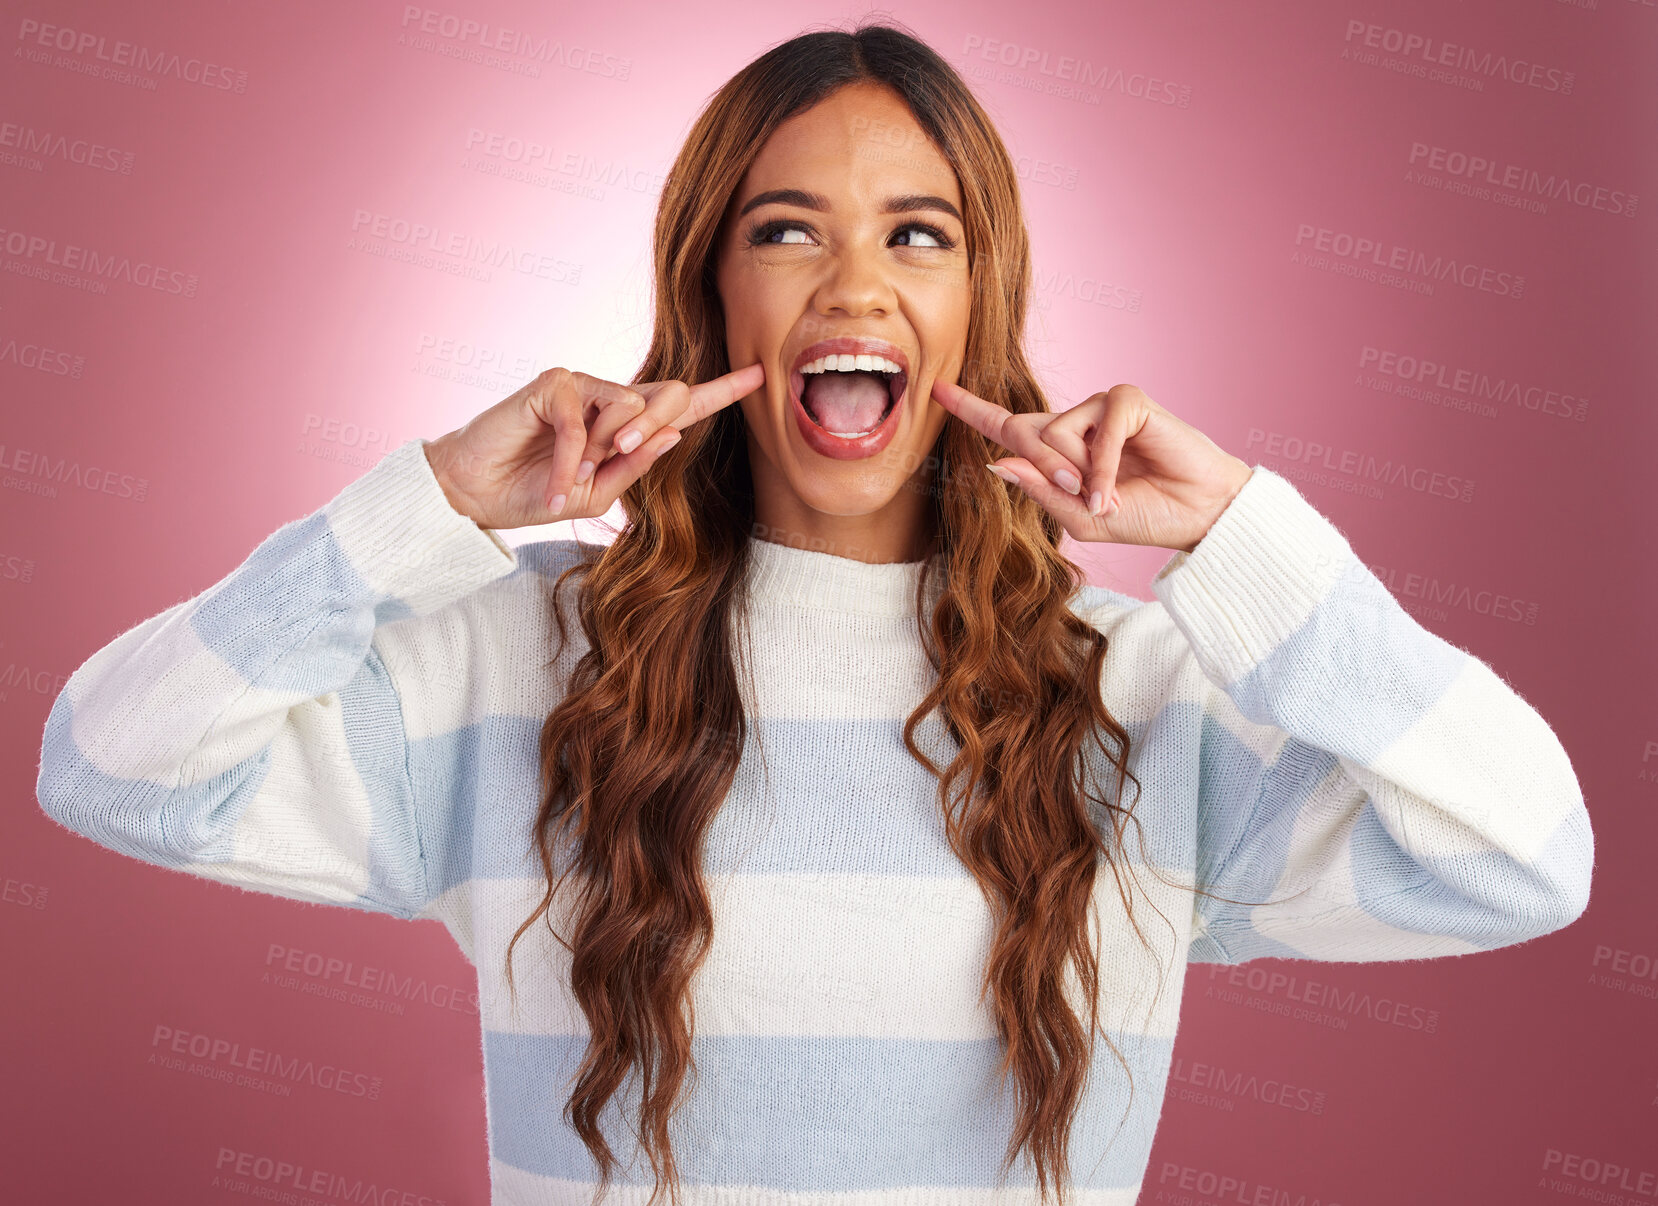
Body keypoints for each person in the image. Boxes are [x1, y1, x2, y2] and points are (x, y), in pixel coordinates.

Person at [35, 19, 1593, 1206]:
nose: (854, 286)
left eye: (918, 235)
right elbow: (110, 762)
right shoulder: (517, 658)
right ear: (713, 294)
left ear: (979, 302)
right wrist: (425, 506)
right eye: (786, 231)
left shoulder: (1142, 692)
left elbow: (1523, 857)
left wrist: (1249, 542)